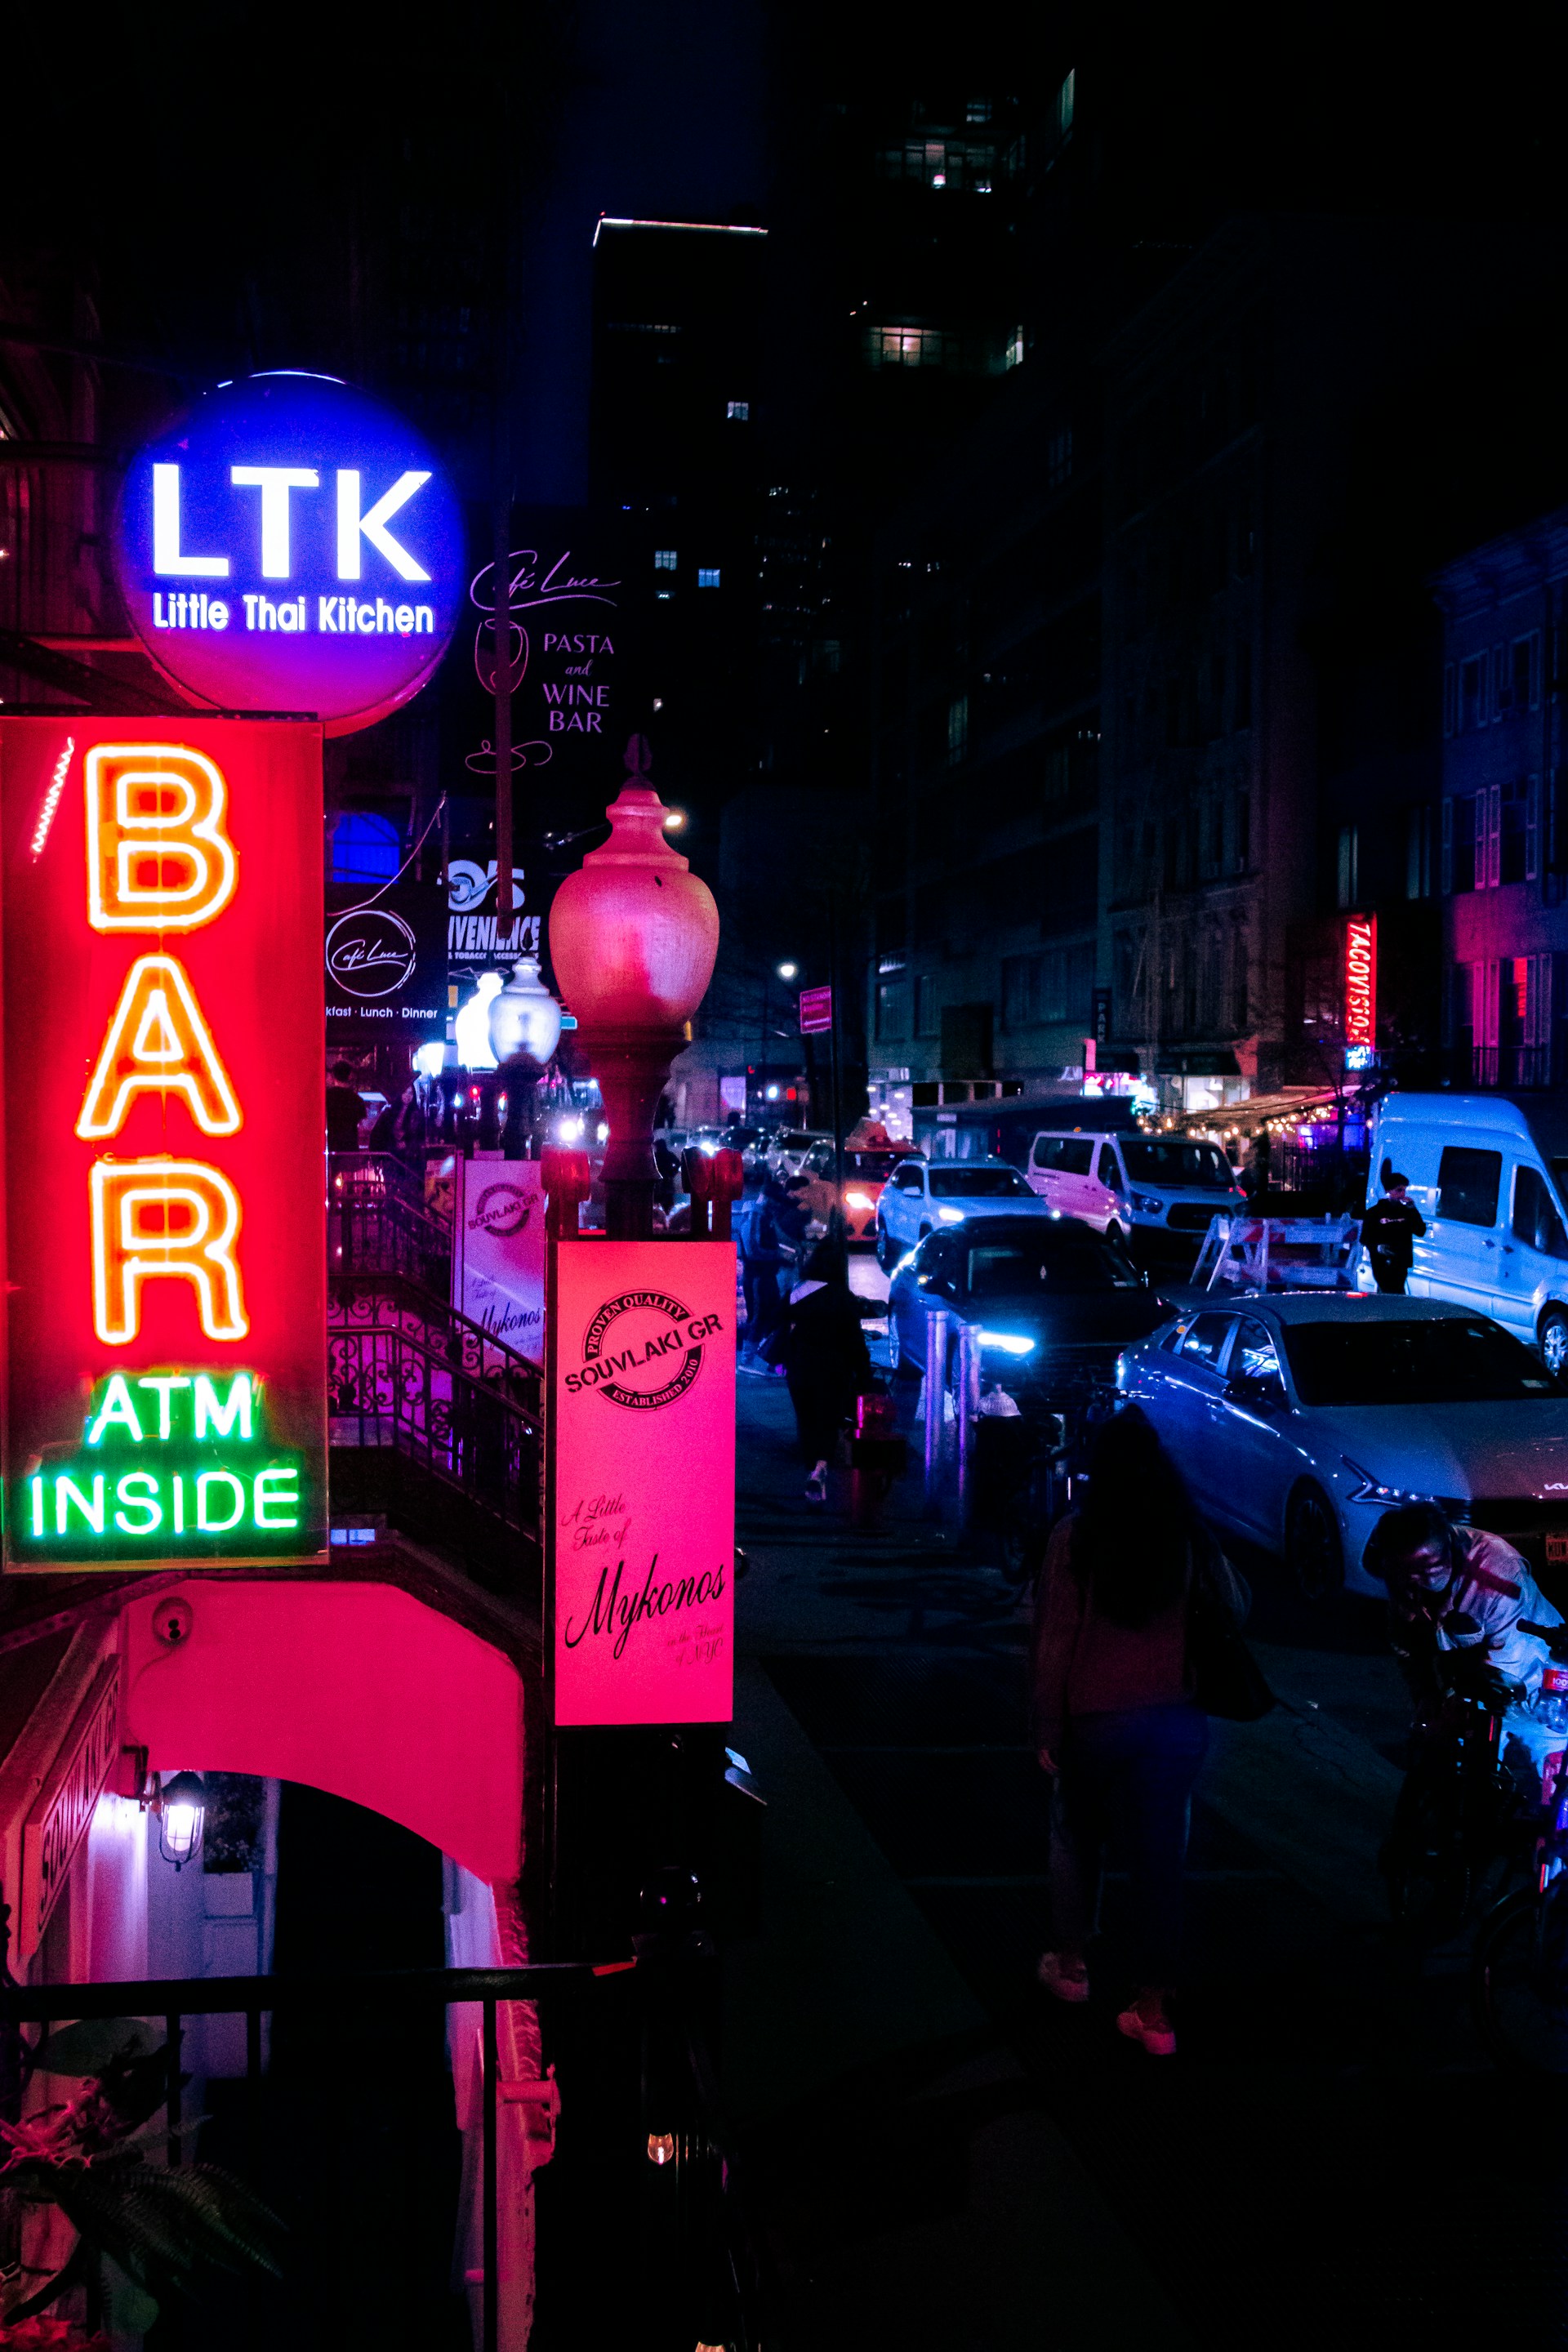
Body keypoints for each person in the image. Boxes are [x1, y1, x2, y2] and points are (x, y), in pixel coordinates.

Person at [1031, 1406, 1245, 2057]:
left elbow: (1057, 1639)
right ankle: (1154, 2013)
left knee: (1078, 1836)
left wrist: (1047, 1725)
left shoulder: (1078, 1536)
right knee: (1160, 1862)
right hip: (1174, 1719)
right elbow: (1238, 1606)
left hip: (1096, 1715)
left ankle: (1071, 1965)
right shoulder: (1186, 1534)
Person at [1362, 1501, 1565, 1713]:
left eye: (1425, 1572)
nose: (1412, 1582)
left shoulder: (1499, 1577)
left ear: (1447, 1553)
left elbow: (1506, 1672)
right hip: (1474, 1675)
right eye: (1405, 1574)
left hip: (1536, 1683)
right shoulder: (1401, 1563)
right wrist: (1425, 1694)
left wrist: (1458, 1704)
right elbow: (1405, 1639)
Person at [776, 1239, 872, 1503]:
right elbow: (855, 1341)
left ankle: (812, 1474)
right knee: (828, 1419)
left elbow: (781, 1325)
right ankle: (820, 1467)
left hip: (800, 1365)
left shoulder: (797, 1291)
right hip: (833, 1368)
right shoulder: (843, 1298)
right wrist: (864, 1374)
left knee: (806, 1420)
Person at [737, 1169, 791, 1368]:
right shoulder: (755, 1216)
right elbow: (753, 1249)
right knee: (758, 1316)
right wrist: (779, 1254)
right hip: (757, 1275)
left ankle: (771, 1359)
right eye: (776, 1201)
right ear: (767, 1198)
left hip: (766, 1274)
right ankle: (747, 1362)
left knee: (774, 1314)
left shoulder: (763, 1216)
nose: (778, 1206)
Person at [1361, 1167, 1426, 1294]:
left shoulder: (1407, 1212)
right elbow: (1365, 1238)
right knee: (1389, 1291)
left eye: (1404, 1190)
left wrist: (1413, 1209)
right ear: (1388, 1191)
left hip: (1401, 1261)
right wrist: (1378, 1247)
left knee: (1397, 1291)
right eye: (1398, 1190)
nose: (1402, 1194)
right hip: (1382, 1262)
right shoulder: (1374, 1213)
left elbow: (1420, 1231)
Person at [326, 1059, 368, 1153]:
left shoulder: (325, 1097)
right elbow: (362, 1126)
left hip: (329, 1146)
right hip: (349, 1148)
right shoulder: (357, 1100)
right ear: (350, 1076)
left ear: (333, 1076)